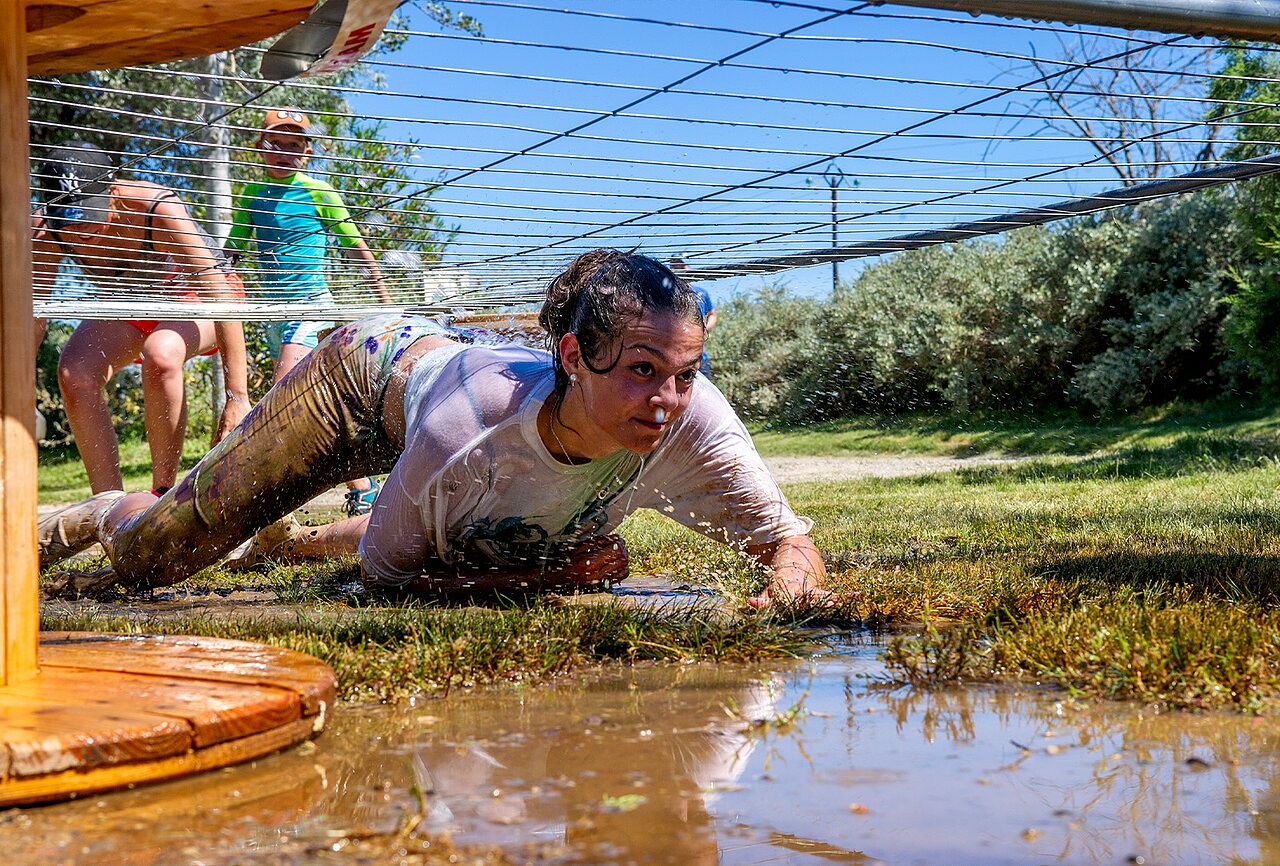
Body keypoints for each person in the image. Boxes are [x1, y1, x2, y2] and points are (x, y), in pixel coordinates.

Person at [39, 250, 828, 610]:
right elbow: (384, 581)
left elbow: (793, 546)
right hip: (358, 378)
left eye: (686, 373)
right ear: (574, 357)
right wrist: (546, 578)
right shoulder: (471, 432)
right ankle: (93, 511)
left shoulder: (698, 421)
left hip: (442, 396)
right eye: (643, 371)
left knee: (485, 528)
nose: (667, 400)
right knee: (154, 558)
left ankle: (283, 538)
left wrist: (781, 597)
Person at [32, 142, 250, 496]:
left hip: (198, 298)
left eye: (88, 214)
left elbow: (217, 291)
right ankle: (107, 508)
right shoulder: (45, 230)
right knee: (75, 373)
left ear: (113, 191)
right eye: (68, 218)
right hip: (130, 306)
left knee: (161, 353)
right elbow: (33, 319)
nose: (80, 229)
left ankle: (161, 495)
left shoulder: (156, 206)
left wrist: (237, 396)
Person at [225, 107, 391, 517]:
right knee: (317, 402)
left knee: (284, 391)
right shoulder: (251, 196)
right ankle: (363, 487)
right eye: (275, 145)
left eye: (294, 146)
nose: (284, 153)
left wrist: (387, 303)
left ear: (307, 151)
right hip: (274, 312)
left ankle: (271, 495)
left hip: (312, 306)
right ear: (260, 149)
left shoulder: (320, 192)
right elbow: (231, 252)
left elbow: (355, 247)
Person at [669, 257, 716, 376]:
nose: (678, 269)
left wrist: (704, 329)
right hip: (673, 356)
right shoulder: (666, 293)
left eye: (681, 266)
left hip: (700, 357)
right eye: (675, 266)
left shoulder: (700, 293)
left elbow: (712, 315)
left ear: (688, 267)